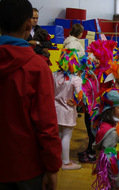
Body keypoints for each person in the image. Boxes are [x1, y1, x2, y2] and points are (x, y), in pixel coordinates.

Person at [0, 0, 62, 189]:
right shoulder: (36, 66)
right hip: (25, 167)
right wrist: (52, 165)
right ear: (29, 24)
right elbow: (46, 123)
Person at [54, 49, 85, 170]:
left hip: (55, 109)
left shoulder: (54, 75)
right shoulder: (75, 79)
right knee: (67, 136)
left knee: (60, 135)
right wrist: (77, 102)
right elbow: (80, 94)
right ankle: (66, 162)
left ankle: (61, 158)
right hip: (67, 110)